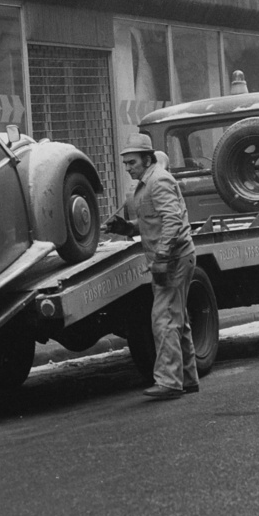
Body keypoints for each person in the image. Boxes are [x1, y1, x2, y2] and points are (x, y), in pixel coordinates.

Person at [104, 134, 198, 400]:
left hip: (173, 260)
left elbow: (172, 221)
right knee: (178, 320)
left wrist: (162, 257)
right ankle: (188, 378)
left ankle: (169, 382)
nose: (128, 168)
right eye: (125, 163)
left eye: (132, 162)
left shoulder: (158, 181)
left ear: (147, 158)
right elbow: (153, 221)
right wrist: (126, 228)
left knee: (164, 319)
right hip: (172, 258)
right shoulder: (147, 183)